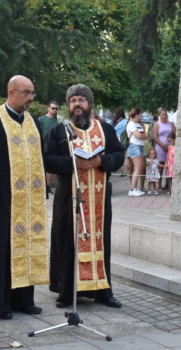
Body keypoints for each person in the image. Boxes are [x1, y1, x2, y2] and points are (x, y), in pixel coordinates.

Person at [0, 75, 48, 319]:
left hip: (27, 202)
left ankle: (23, 300)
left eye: (32, 93)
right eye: (26, 93)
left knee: (25, 248)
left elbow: (39, 159)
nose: (30, 98)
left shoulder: (33, 121)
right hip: (1, 201)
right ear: (11, 92)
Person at [44, 84, 126, 309]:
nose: (77, 104)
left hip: (99, 200)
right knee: (67, 243)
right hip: (68, 197)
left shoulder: (105, 129)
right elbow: (48, 159)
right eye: (72, 100)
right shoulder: (59, 131)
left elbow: (119, 154)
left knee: (100, 243)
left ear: (89, 103)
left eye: (81, 100)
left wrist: (101, 161)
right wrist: (72, 162)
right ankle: (66, 291)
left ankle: (102, 291)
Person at [125, 108, 148, 197]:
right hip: (135, 146)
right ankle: (132, 188)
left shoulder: (137, 124)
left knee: (140, 167)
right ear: (137, 114)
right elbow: (139, 135)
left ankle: (135, 187)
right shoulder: (131, 124)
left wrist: (143, 136)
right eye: (140, 115)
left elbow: (145, 135)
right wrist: (143, 136)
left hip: (140, 146)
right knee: (137, 168)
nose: (141, 116)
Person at [153, 108, 176, 191]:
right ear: (160, 115)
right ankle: (159, 185)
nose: (164, 116)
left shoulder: (171, 124)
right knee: (160, 166)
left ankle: (169, 184)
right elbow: (155, 137)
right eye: (162, 115)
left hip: (172, 148)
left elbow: (175, 134)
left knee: (170, 166)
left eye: (165, 114)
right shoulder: (157, 125)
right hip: (160, 147)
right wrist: (163, 146)